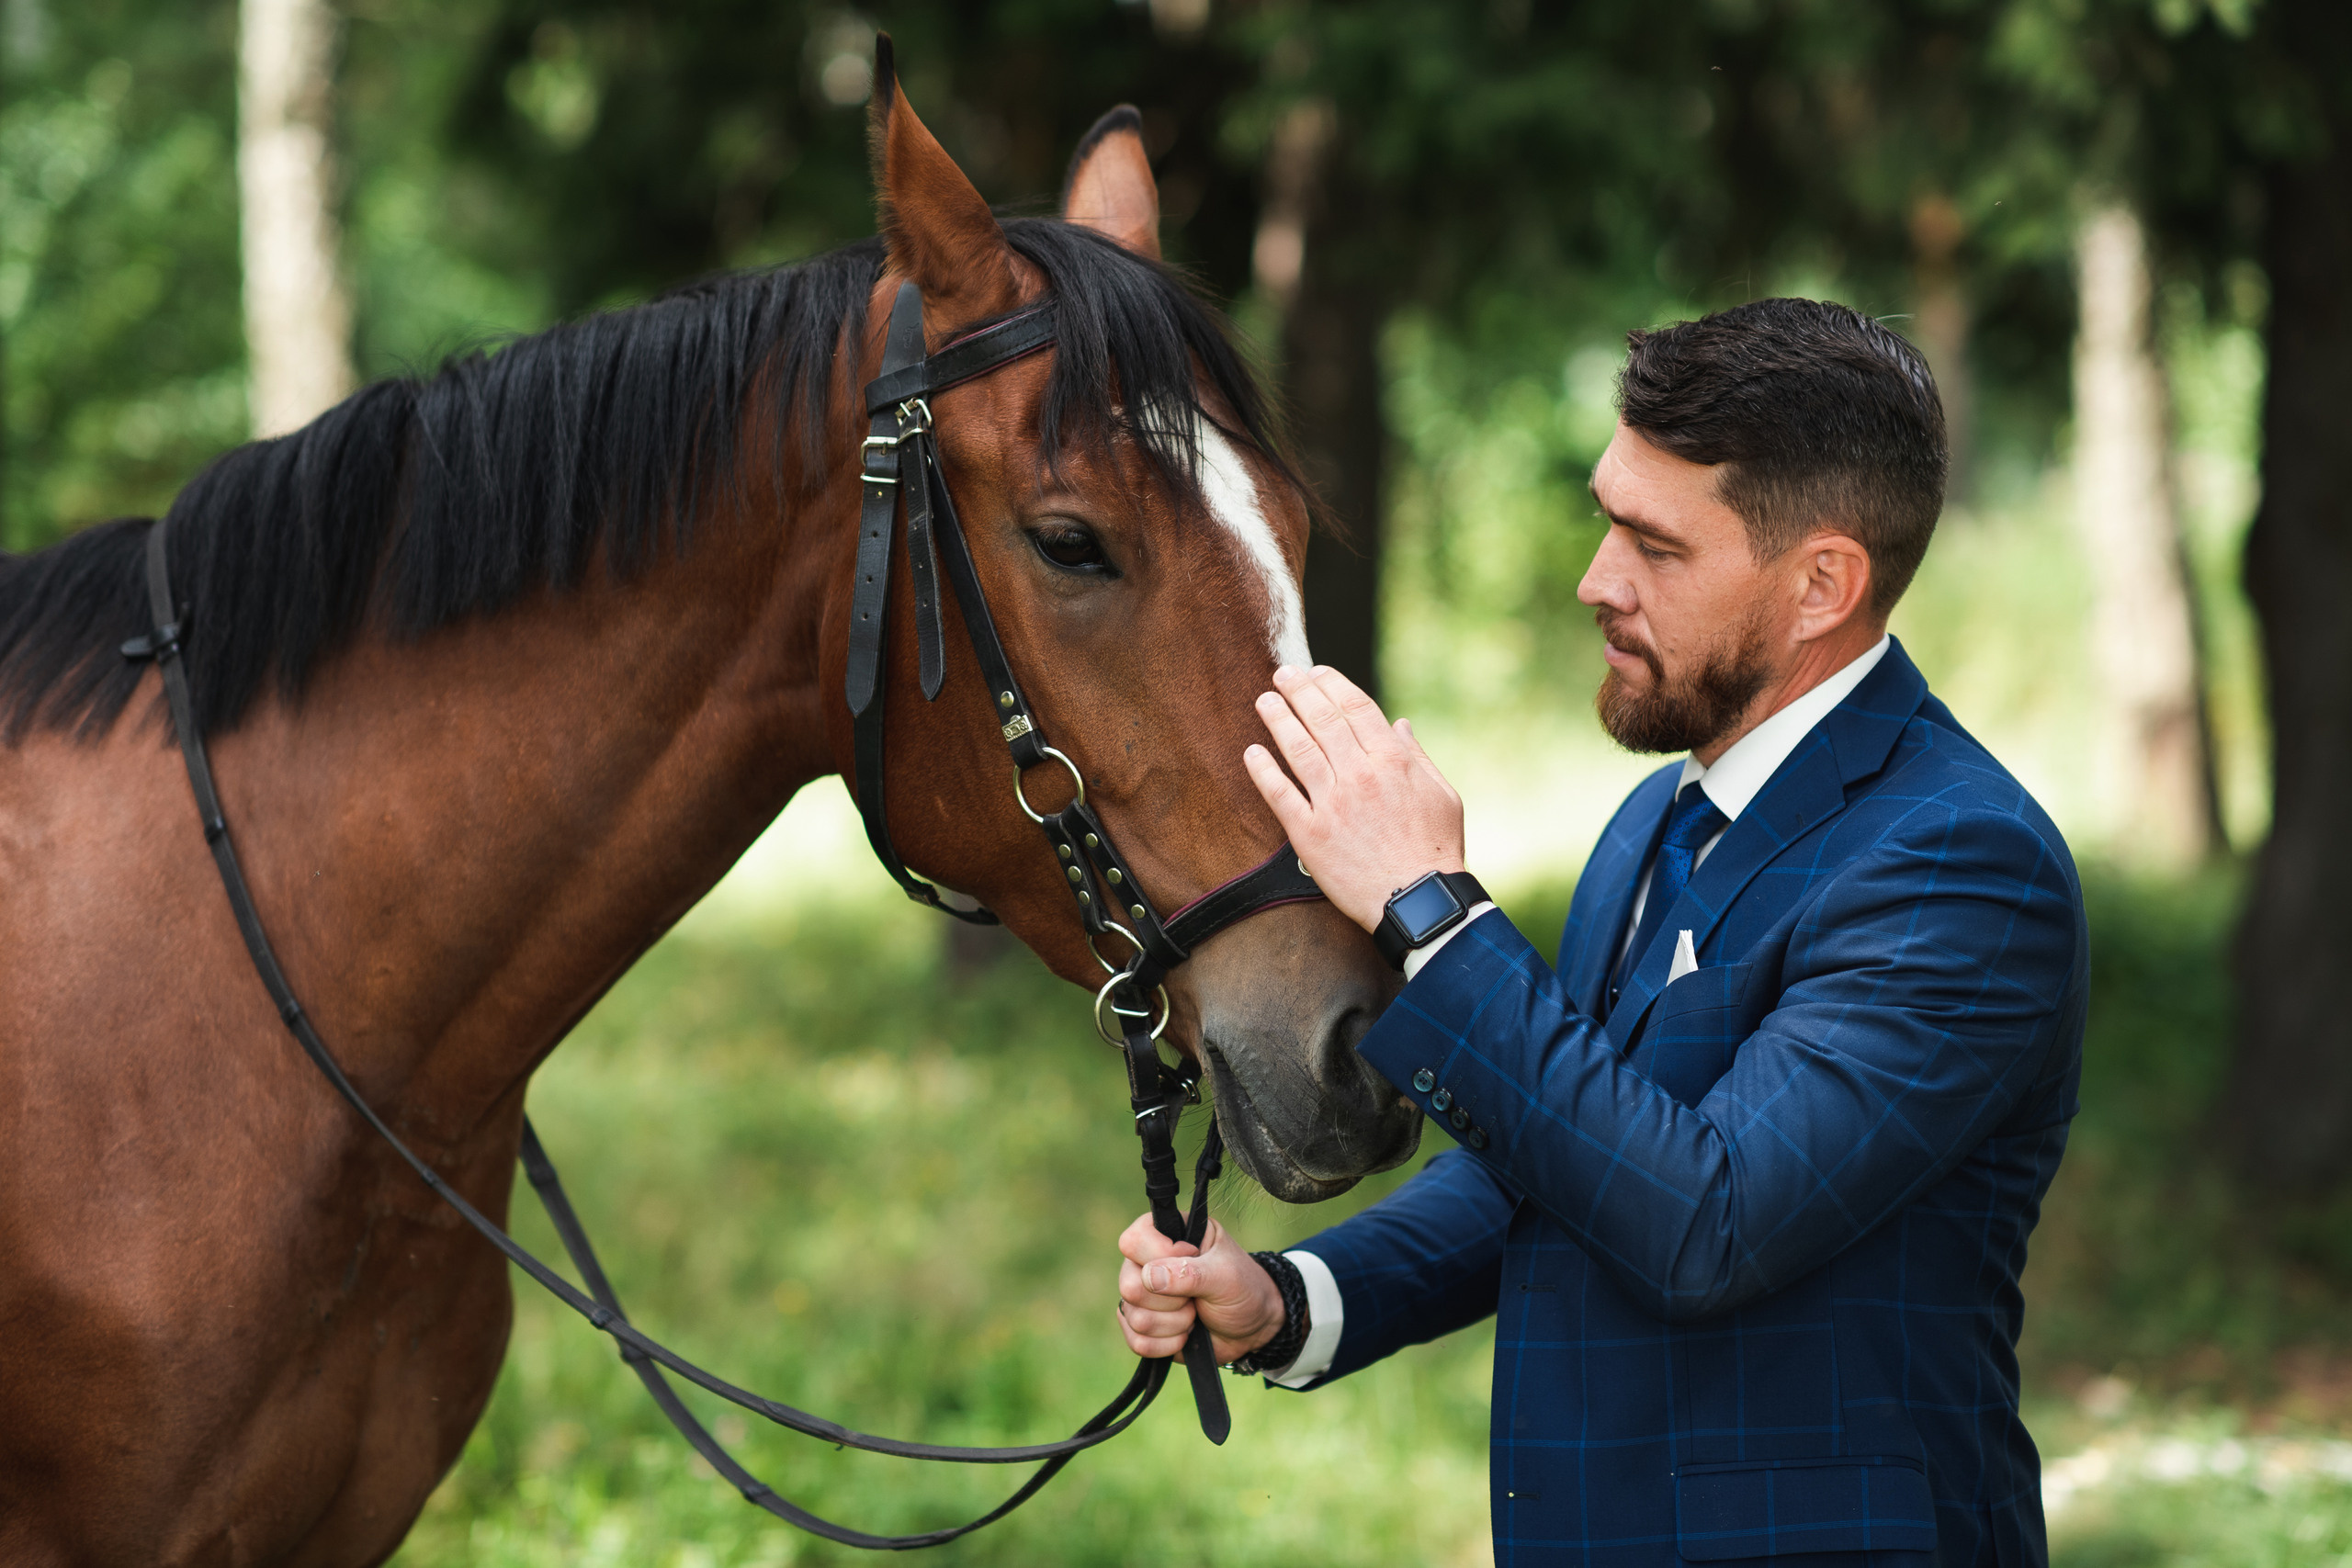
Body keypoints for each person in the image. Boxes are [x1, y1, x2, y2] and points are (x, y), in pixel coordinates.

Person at [1114, 298, 2086, 1567]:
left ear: (1822, 586)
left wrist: (1428, 909)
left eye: (1656, 546)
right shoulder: (1651, 823)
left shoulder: (1960, 863)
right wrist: (1294, 1300)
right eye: (1607, 518)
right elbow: (1554, 1162)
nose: (1596, 581)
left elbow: (1708, 1221)